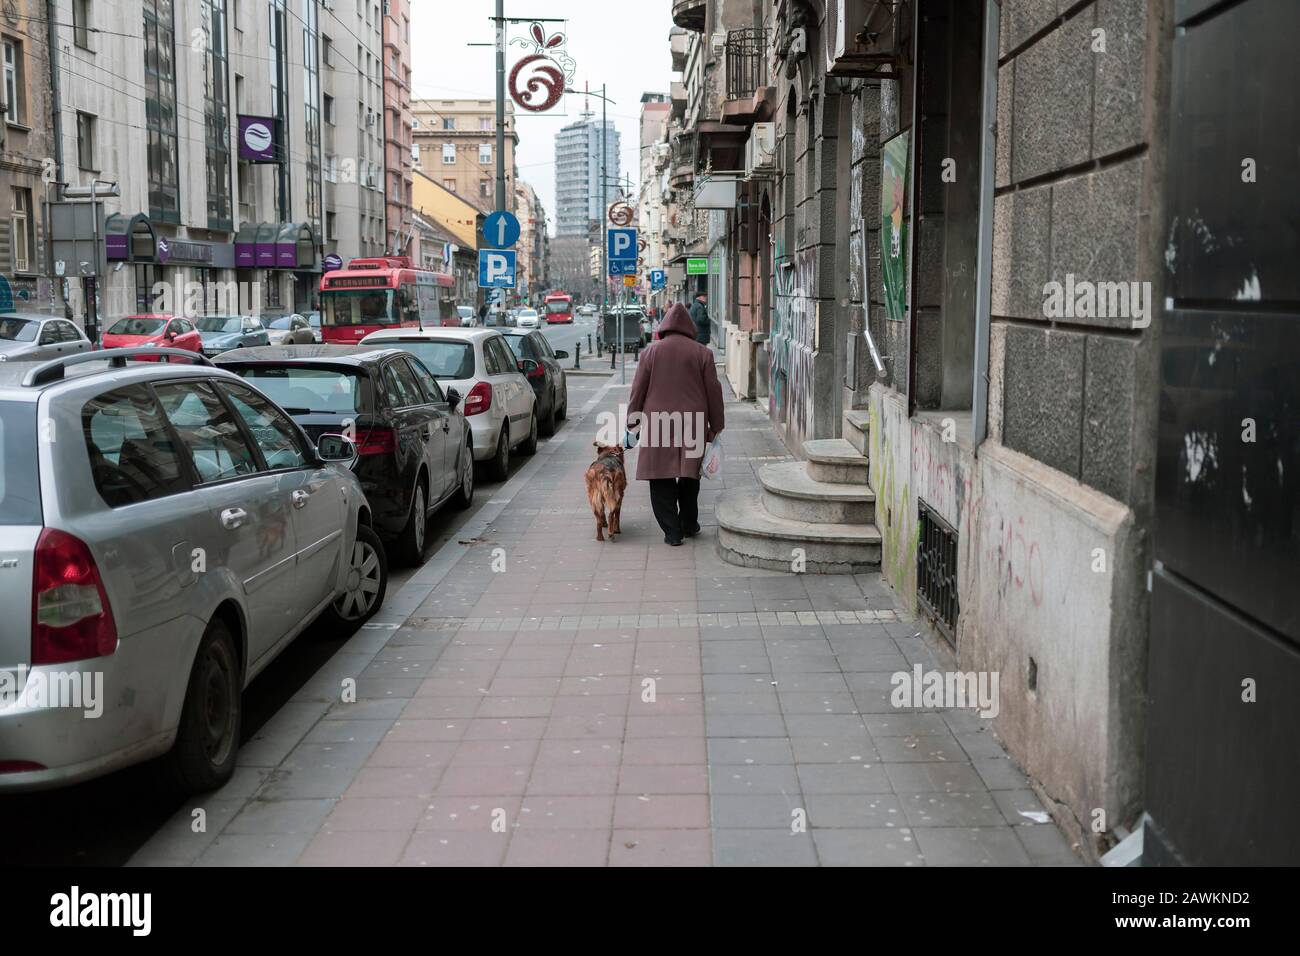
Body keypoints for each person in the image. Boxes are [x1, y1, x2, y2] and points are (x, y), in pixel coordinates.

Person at [627, 303, 725, 546]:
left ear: (665, 327)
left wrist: (633, 419)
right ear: (689, 327)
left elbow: (638, 388)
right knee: (690, 476)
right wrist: (716, 425)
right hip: (694, 421)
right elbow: (714, 391)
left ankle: (672, 532)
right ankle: (689, 524)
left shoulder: (650, 353)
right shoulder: (703, 353)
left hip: (658, 422)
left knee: (660, 476)